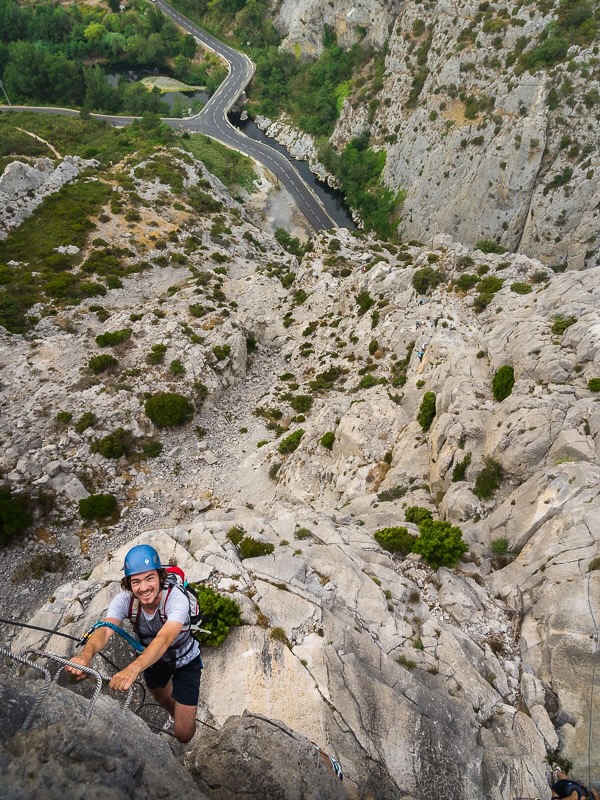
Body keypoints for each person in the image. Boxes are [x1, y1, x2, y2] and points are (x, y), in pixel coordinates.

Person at [66, 544, 202, 743]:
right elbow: (104, 629)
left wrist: (133, 669)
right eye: (136, 581)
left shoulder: (175, 599)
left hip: (185, 660)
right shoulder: (125, 600)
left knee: (183, 734)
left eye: (149, 578)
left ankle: (183, 718)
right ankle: (178, 713)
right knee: (161, 698)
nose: (144, 587)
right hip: (153, 661)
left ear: (160, 577)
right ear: (129, 584)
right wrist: (85, 656)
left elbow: (164, 639)